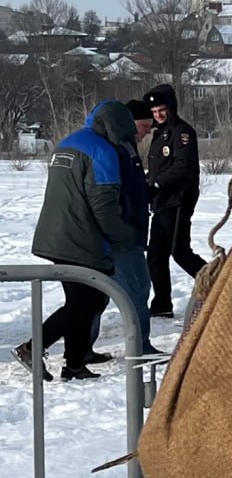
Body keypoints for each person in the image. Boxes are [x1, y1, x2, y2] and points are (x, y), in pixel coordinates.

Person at [12, 101, 140, 381]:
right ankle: (34, 348)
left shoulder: (68, 142)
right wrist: (124, 235)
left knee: (83, 300)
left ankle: (74, 364)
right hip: (81, 238)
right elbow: (103, 205)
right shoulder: (102, 152)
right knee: (87, 302)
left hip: (55, 232)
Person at [86, 99, 161, 359]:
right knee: (137, 288)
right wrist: (123, 230)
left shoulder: (124, 147)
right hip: (122, 234)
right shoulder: (117, 149)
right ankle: (140, 344)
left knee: (98, 293)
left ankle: (83, 348)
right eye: (144, 126)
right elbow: (112, 195)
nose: (146, 133)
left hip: (123, 231)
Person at [144, 83, 206, 319]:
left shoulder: (182, 132)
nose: (158, 115)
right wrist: (149, 183)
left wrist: (157, 184)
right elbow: (158, 166)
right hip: (161, 202)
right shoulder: (159, 134)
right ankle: (161, 303)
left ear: (171, 108)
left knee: (179, 251)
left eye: (162, 110)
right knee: (156, 255)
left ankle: (220, 284)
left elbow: (182, 167)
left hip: (178, 200)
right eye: (154, 112)